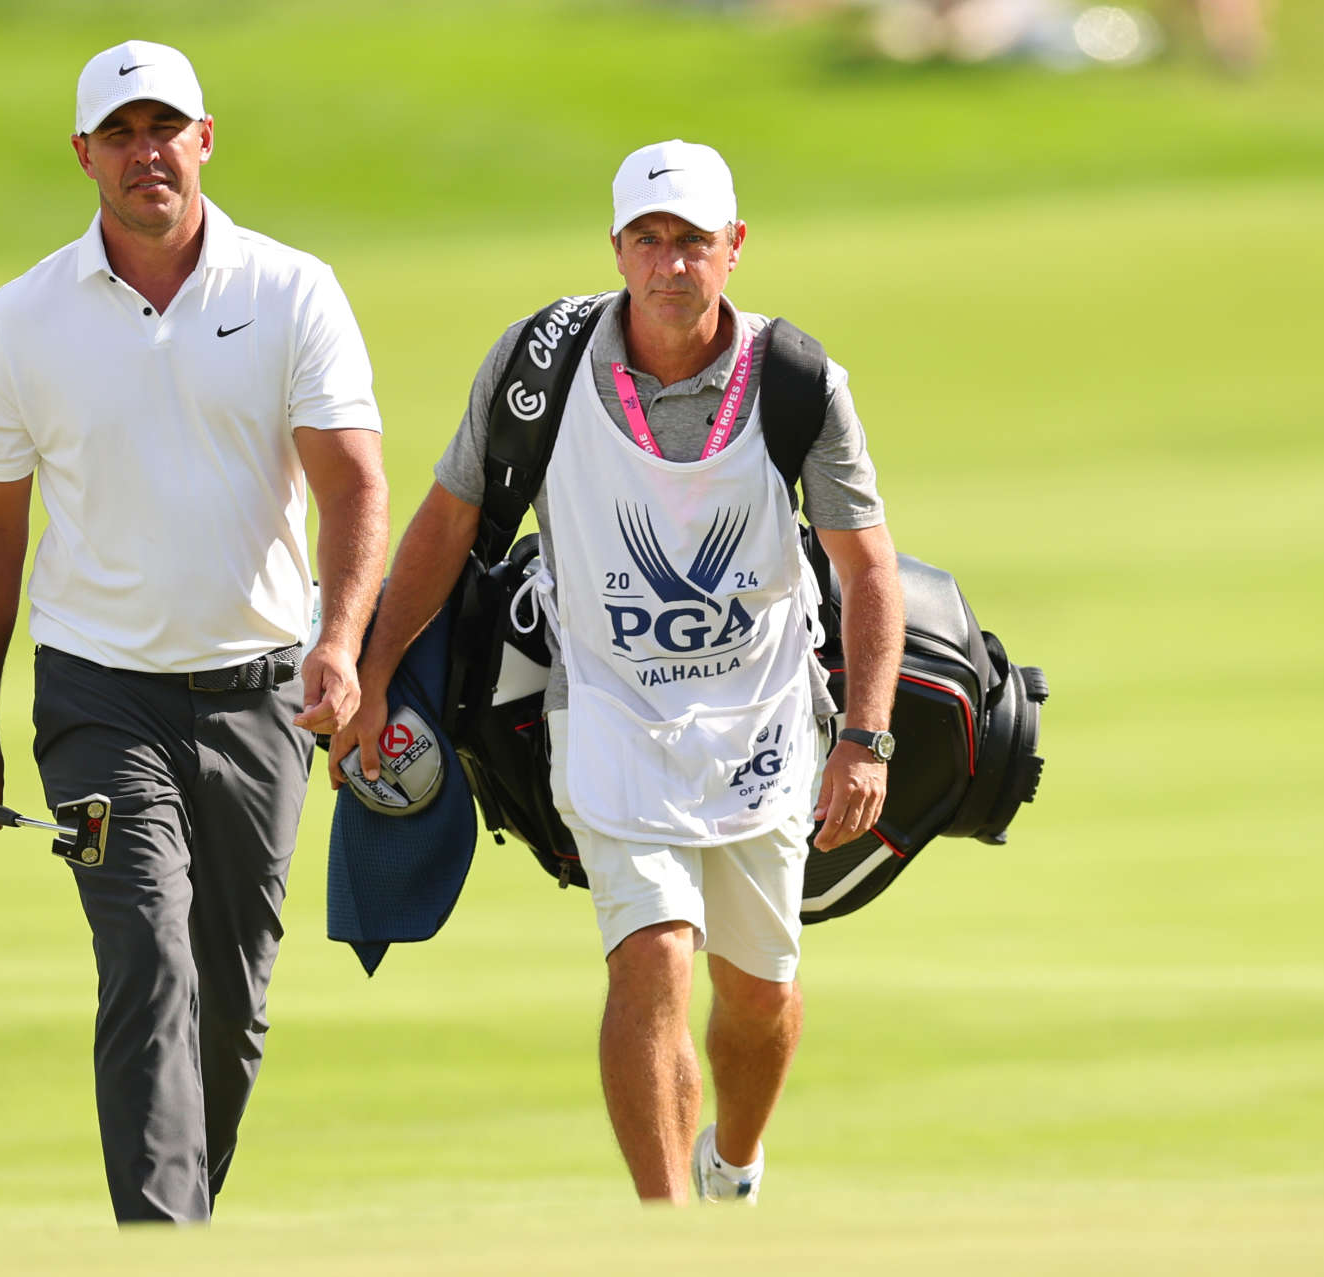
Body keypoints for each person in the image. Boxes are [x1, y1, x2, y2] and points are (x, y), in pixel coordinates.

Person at [329, 140, 903, 1205]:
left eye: (692, 241)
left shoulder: (796, 381)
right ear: (618, 248)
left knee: (759, 992)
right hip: (608, 713)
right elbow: (450, 520)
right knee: (652, 958)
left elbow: (867, 568)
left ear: (735, 247)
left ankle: (732, 1158)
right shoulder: (539, 366)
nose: (670, 264)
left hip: (765, 721)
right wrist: (373, 666)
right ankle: (662, 1228)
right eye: (649, 240)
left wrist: (865, 737)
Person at [0, 39, 388, 1224]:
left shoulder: (292, 291)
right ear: (84, 155)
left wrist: (340, 646)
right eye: (119, 135)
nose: (146, 155)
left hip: (263, 697)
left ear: (205, 139)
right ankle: (158, 1241)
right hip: (91, 703)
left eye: (164, 129)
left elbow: (353, 490)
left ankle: (179, 1217)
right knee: (143, 955)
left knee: (232, 998)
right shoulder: (22, 318)